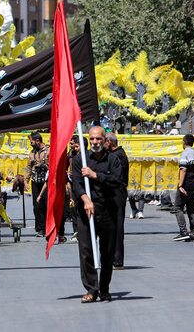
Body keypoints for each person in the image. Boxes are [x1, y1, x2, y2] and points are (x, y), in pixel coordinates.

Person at [72, 126, 122, 303]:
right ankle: (91, 289)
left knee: (107, 252)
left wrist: (95, 175)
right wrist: (86, 199)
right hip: (86, 211)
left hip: (107, 210)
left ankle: (105, 288)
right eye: (92, 139)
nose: (95, 142)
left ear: (105, 140)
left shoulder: (113, 160)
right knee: (86, 251)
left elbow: (117, 181)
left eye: (98, 139)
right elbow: (77, 183)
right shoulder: (80, 160)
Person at [105, 132, 129, 270]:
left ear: (109, 141)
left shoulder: (117, 156)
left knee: (117, 227)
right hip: (112, 193)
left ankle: (117, 260)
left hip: (117, 193)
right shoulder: (115, 154)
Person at [172, 134, 194, 242]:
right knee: (191, 209)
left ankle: (183, 232)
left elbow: (183, 170)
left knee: (178, 207)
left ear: (184, 143)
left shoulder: (184, 154)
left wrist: (180, 185)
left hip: (187, 185)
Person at [24, 132, 49, 237]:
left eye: (32, 142)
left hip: (46, 182)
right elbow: (29, 168)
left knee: (46, 204)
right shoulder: (32, 153)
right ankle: (40, 228)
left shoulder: (49, 151)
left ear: (38, 141)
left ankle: (49, 227)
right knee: (37, 206)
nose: (31, 144)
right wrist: (26, 181)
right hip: (35, 182)